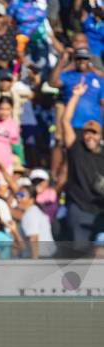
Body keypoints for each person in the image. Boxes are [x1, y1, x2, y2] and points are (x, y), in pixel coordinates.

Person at [61, 81, 104, 242]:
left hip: (100, 210)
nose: (90, 136)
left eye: (94, 134)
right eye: (87, 133)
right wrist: (75, 96)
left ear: (100, 137)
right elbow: (65, 121)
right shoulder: (76, 148)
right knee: (79, 251)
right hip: (79, 207)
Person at [49, 48, 103, 130]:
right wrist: (61, 61)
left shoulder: (98, 79)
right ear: (74, 60)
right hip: (70, 126)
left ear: (89, 60)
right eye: (79, 58)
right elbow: (52, 83)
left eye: (85, 58)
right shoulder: (67, 76)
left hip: (94, 127)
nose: (82, 61)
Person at [15, 184, 54, 258]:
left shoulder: (30, 214)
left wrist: (34, 264)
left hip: (40, 258)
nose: (18, 198)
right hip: (46, 257)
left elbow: (34, 239)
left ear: (31, 199)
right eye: (17, 194)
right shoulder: (34, 211)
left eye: (22, 195)